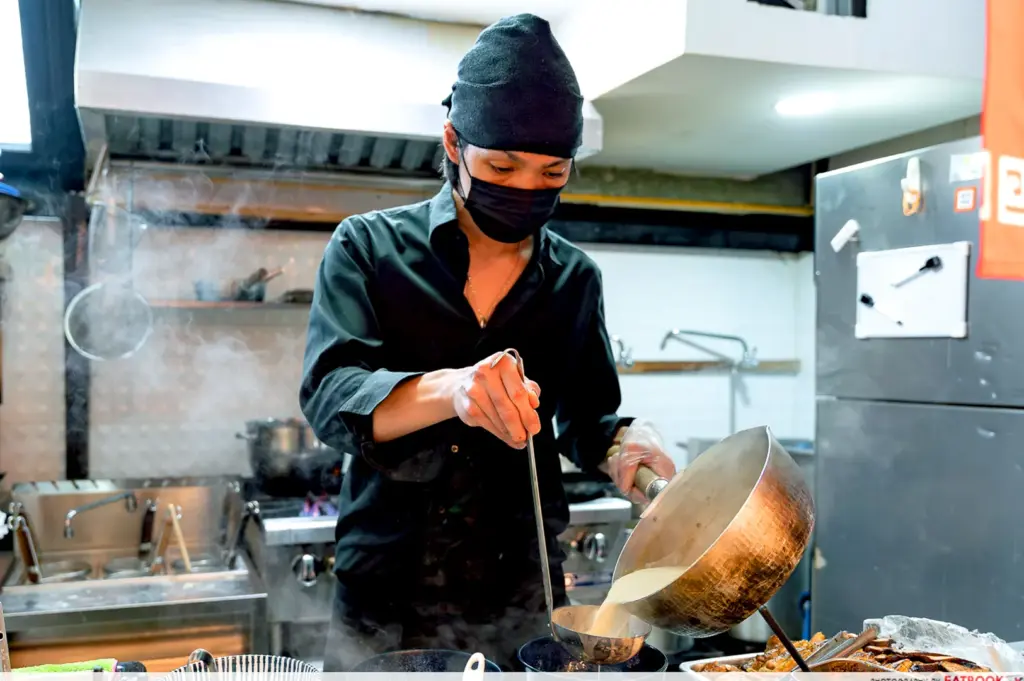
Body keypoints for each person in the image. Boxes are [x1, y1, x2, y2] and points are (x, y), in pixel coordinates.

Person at [300, 13, 676, 672]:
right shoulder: (367, 248)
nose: (527, 188)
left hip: (524, 594)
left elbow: (585, 422)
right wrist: (455, 388)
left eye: (552, 173)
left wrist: (624, 446)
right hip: (389, 592)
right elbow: (331, 394)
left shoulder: (574, 279)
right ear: (453, 142)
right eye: (502, 165)